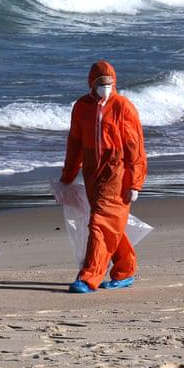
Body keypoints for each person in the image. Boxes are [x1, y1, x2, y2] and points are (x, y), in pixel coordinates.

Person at [59, 60, 147, 293]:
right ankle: (125, 270)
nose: (105, 86)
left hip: (117, 175)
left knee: (100, 224)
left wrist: (136, 182)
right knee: (111, 225)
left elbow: (135, 147)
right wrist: (68, 175)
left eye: (108, 82)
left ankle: (89, 277)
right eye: (100, 82)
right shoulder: (81, 107)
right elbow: (75, 143)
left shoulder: (123, 107)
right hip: (92, 174)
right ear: (92, 83)